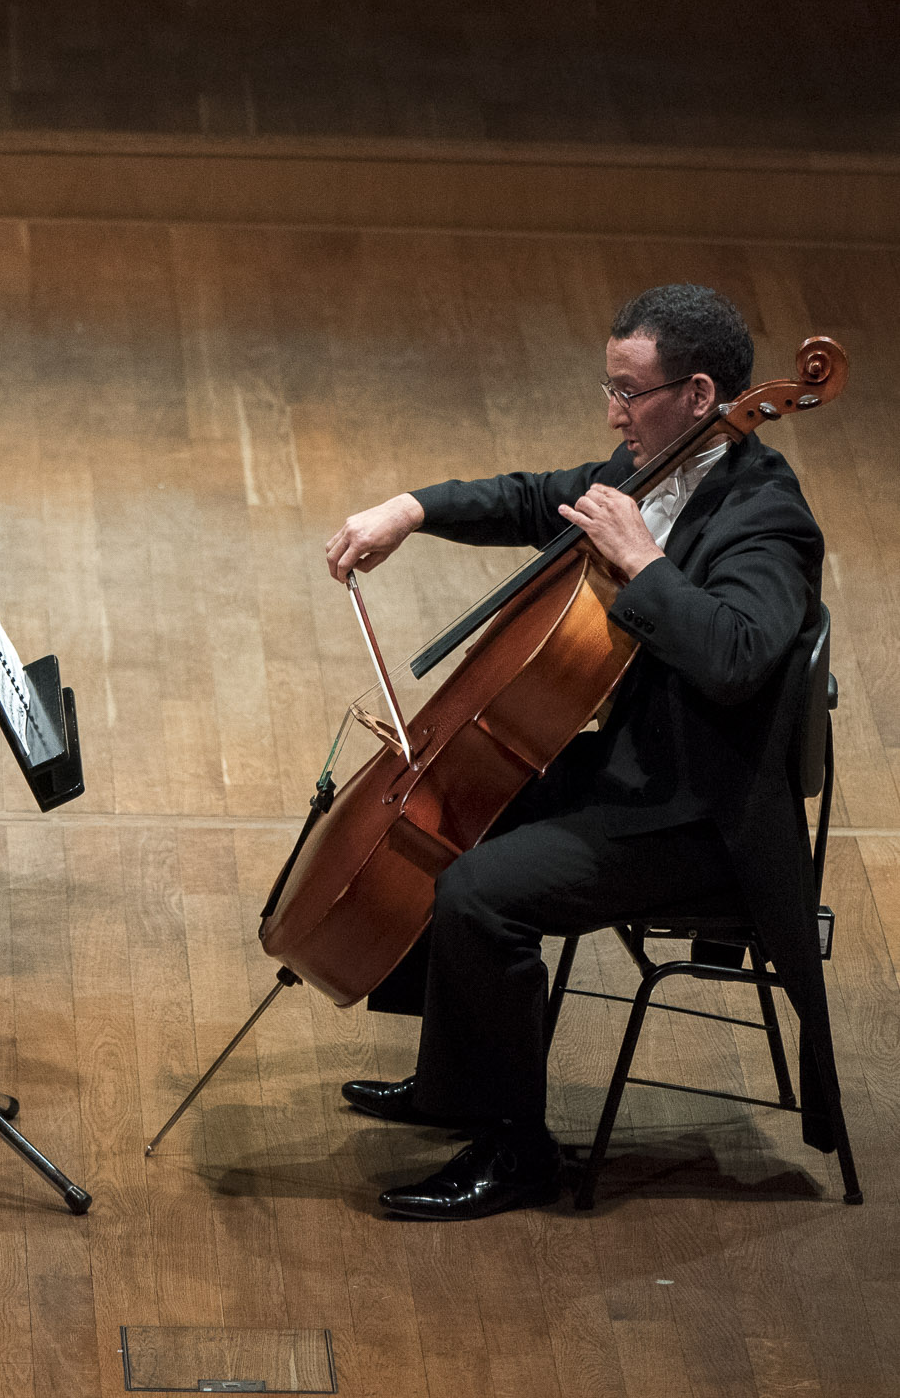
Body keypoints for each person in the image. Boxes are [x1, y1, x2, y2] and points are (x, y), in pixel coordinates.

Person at [321, 283, 827, 1220]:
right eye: (610, 386)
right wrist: (411, 509)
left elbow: (737, 658)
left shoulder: (768, 518)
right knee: (444, 817)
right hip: (636, 776)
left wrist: (647, 565)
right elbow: (537, 498)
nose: (613, 412)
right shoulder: (660, 465)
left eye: (629, 391)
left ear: (701, 392)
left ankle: (516, 1151)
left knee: (481, 890)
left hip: (702, 816)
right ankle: (456, 1085)